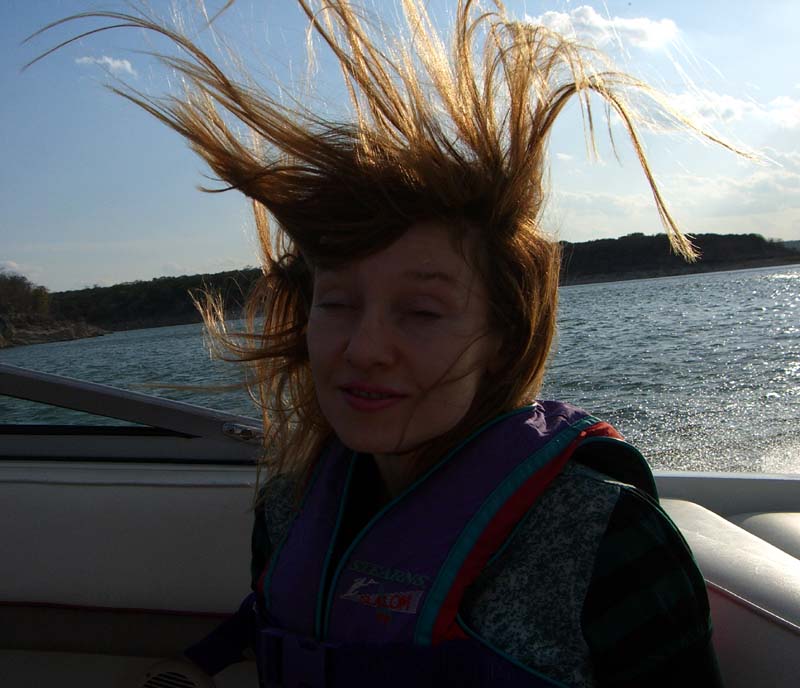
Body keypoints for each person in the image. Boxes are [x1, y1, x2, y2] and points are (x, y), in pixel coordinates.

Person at [33, 1, 733, 685]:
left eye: (422, 312)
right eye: (336, 303)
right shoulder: (290, 509)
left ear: (502, 336)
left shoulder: (611, 544)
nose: (363, 348)